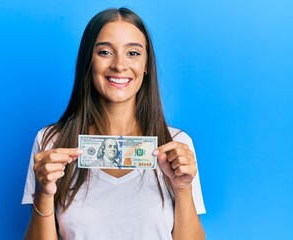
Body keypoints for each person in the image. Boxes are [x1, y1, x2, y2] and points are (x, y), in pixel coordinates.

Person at [22, 7, 206, 240]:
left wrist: (182, 188)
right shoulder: (51, 142)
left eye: (133, 53)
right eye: (105, 52)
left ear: (147, 65)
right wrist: (43, 194)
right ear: (88, 61)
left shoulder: (176, 144)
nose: (119, 65)